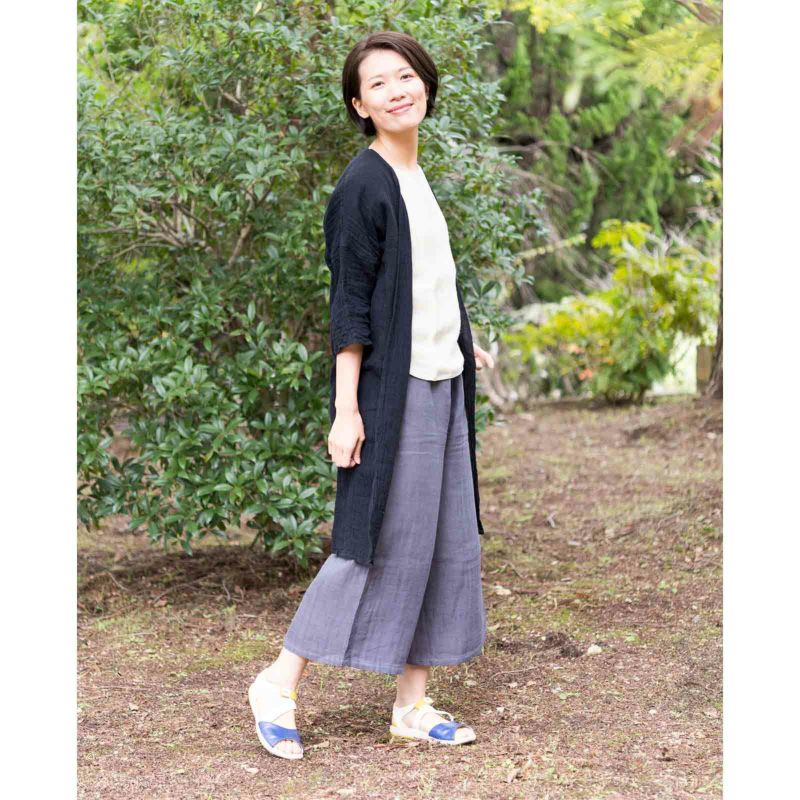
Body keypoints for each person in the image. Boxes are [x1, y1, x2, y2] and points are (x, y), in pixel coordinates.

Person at [246, 31, 496, 760]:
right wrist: (346, 409)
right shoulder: (364, 184)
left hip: (441, 382)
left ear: (426, 85)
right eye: (378, 83)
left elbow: (425, 283)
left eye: (405, 76)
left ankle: (411, 706)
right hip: (394, 394)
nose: (396, 90)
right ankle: (278, 683)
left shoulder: (416, 175)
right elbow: (351, 307)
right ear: (360, 105)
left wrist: (461, 341)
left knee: (444, 539)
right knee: (375, 540)